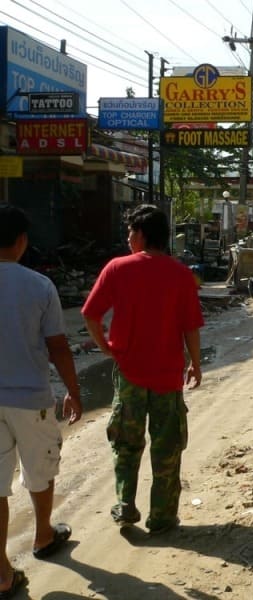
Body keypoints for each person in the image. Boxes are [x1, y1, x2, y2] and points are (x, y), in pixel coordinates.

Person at [82, 204, 203, 535]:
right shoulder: (180, 274)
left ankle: (125, 505)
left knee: (126, 443)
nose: (128, 238)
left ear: (140, 234)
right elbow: (190, 326)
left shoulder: (117, 268)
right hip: (167, 376)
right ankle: (162, 517)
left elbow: (90, 315)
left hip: (129, 374)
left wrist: (105, 346)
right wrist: (196, 362)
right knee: (167, 446)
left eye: (130, 232)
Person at [0, 204, 82, 595]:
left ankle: (1, 573)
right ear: (22, 242)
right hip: (30, 398)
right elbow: (58, 346)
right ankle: (43, 536)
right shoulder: (38, 285)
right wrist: (73, 391)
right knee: (40, 469)